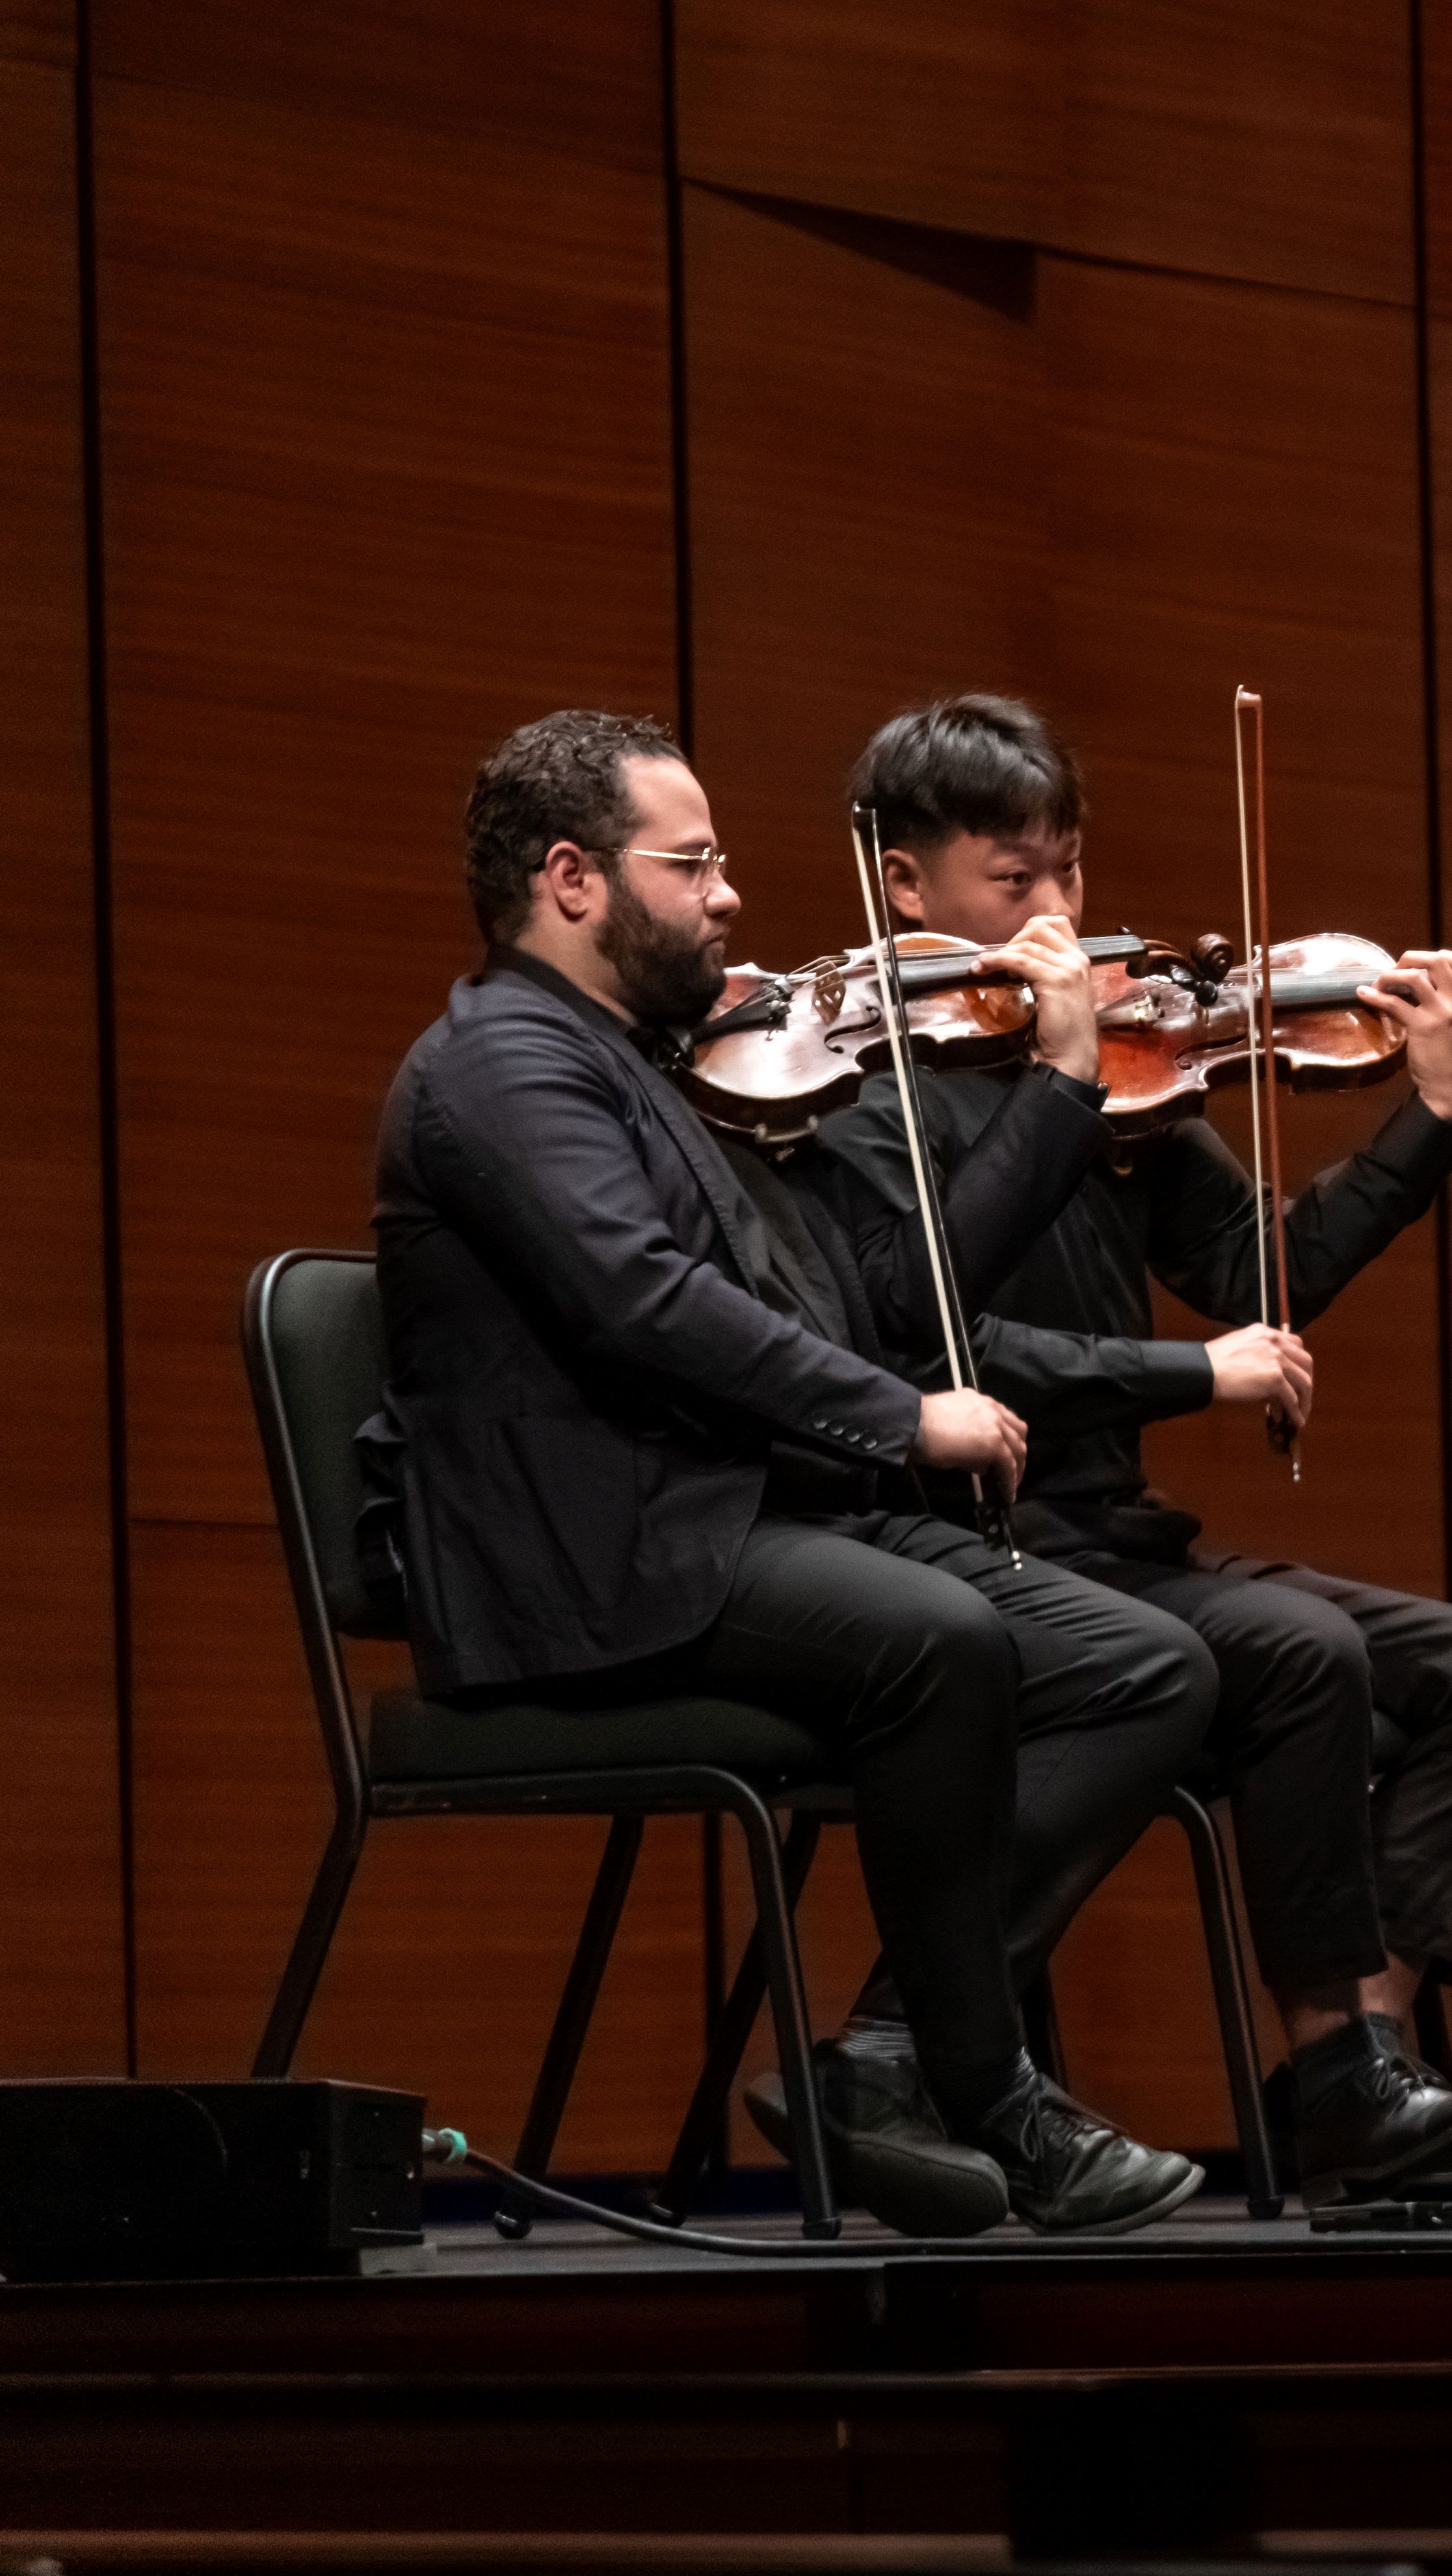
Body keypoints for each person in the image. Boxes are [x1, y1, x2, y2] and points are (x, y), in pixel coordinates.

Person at [368, 710, 1214, 2238]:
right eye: (692, 864)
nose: (730, 894)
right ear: (571, 878)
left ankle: (884, 2063)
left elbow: (857, 1296)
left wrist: (1053, 1092)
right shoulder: (500, 1065)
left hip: (727, 1519)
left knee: (1145, 1664)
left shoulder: (657, 1067)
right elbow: (645, 1307)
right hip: (600, 1556)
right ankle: (995, 2094)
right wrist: (902, 1422)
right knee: (937, 1642)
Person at [820, 694, 1452, 2203]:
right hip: (973, 1548)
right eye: (1013, 880)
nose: (1059, 913)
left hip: (1122, 1543)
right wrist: (1188, 1376)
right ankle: (1326, 2074)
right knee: (1298, 1653)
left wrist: (1428, 1117)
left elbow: (1256, 1275)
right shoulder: (850, 1087)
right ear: (904, 882)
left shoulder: (1121, 1068)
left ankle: (1355, 2067)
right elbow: (930, 1341)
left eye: (1069, 871)